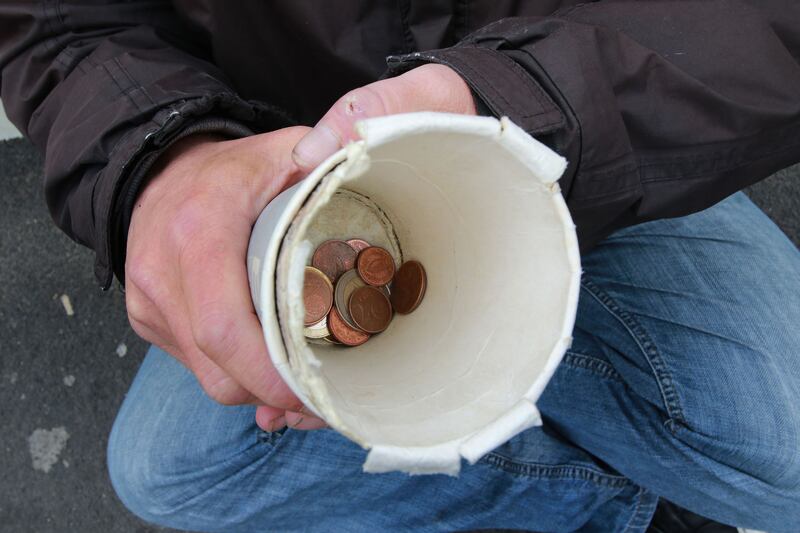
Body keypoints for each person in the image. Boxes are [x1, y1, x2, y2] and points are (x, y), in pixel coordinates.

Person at [1, 1, 799, 531]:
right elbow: (52, 22)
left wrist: (526, 101)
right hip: (270, 165)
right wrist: (160, 156)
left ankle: (533, 414)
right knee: (165, 469)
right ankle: (620, 504)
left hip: (599, 135)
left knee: (785, 449)